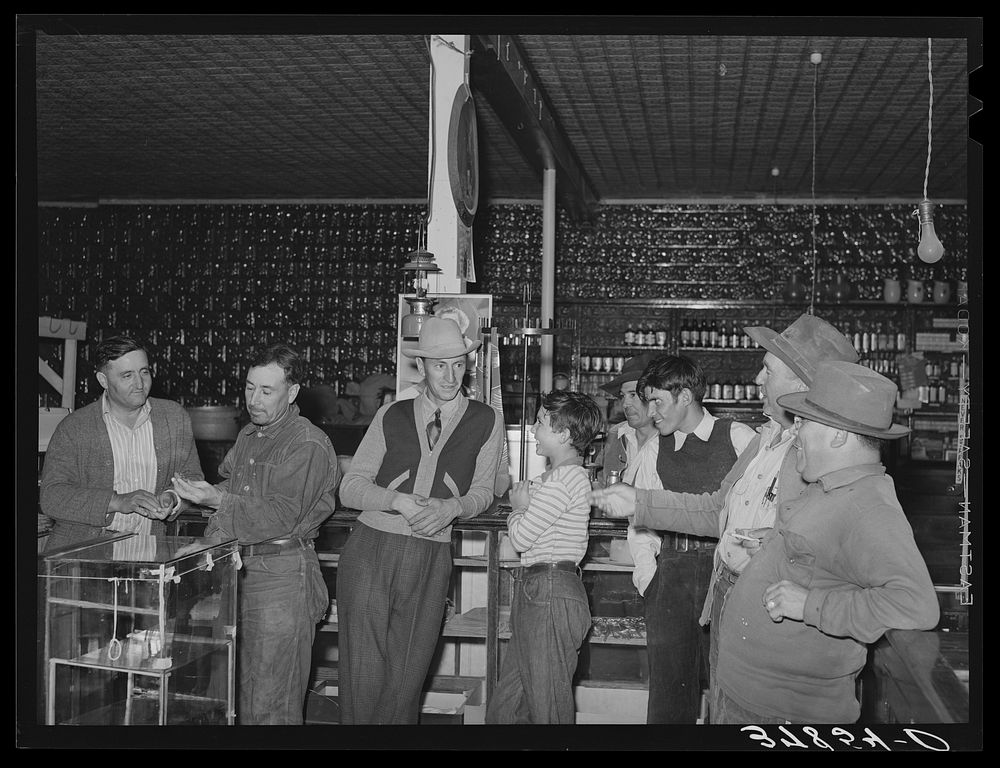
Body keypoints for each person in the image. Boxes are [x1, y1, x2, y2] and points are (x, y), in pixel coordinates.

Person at [589, 313, 859, 717]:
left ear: (801, 383)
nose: (756, 380)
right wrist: (640, 509)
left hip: (766, 607)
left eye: (767, 369)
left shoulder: (811, 458)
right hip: (719, 590)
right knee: (714, 702)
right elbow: (717, 508)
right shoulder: (766, 440)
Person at [713, 360, 940, 723]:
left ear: (837, 435)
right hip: (747, 695)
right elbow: (824, 556)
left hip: (783, 714)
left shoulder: (868, 508)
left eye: (804, 421)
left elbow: (915, 605)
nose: (795, 430)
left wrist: (811, 605)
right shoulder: (826, 485)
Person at [336, 316, 505, 724]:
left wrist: (454, 508)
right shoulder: (391, 415)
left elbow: (485, 490)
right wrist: (396, 501)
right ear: (422, 365)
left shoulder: (486, 419)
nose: (450, 375)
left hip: (430, 556)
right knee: (362, 676)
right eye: (439, 365)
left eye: (459, 365)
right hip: (370, 551)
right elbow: (351, 487)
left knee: (406, 681)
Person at [171, 343, 342, 725]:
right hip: (239, 572)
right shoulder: (250, 434)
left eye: (266, 391)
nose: (254, 399)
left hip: (282, 577)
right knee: (233, 696)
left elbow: (280, 515)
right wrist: (207, 535)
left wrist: (217, 499)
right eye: (250, 387)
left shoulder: (307, 443)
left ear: (292, 392)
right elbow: (233, 488)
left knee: (272, 706)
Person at [632, 355, 755, 724]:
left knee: (729, 687)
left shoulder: (738, 437)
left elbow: (759, 509)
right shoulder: (654, 448)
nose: (650, 411)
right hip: (671, 575)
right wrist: (648, 577)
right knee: (669, 693)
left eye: (658, 401)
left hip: (727, 574)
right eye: (648, 401)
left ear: (685, 396)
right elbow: (640, 517)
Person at [485, 390, 604, 724]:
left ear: (564, 434)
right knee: (508, 703)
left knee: (548, 705)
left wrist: (518, 509)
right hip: (537, 590)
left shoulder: (566, 480)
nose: (534, 429)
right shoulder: (552, 480)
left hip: (551, 591)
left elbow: (521, 538)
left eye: (540, 421)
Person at [40, 334, 203, 550]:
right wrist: (117, 501)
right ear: (103, 381)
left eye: (144, 372)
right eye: (127, 375)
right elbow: (52, 495)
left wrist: (171, 498)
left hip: (150, 553)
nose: (139, 383)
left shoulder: (174, 418)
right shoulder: (75, 427)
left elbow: (192, 478)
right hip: (83, 556)